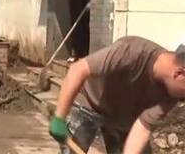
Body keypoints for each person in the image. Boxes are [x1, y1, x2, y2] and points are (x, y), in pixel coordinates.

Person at [49, 36, 185, 153]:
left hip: (124, 118)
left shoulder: (171, 94)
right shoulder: (132, 51)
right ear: (179, 73)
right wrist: (59, 117)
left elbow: (143, 126)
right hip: (90, 103)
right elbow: (78, 69)